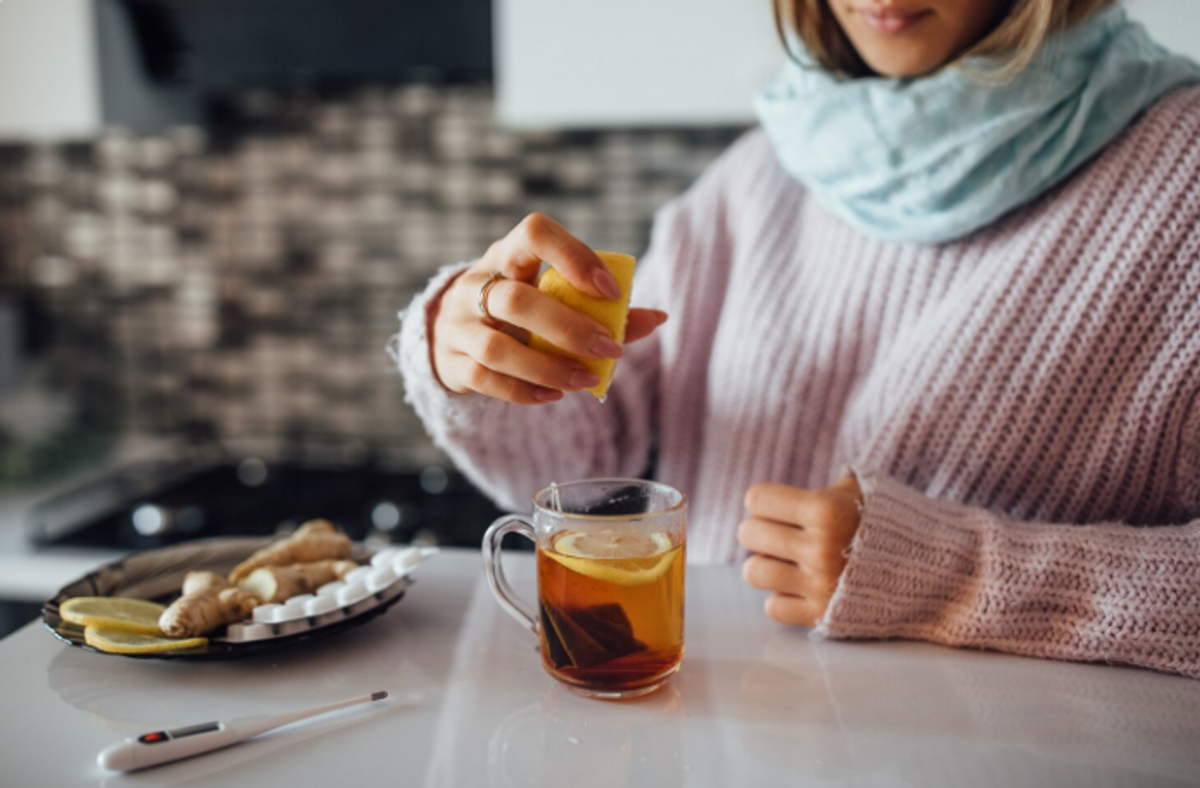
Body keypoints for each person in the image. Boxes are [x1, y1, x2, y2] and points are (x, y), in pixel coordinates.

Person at [392, 0, 1200, 679]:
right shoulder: (760, 175)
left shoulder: (1183, 178)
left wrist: (950, 577)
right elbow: (574, 467)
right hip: (705, 748)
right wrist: (477, 352)